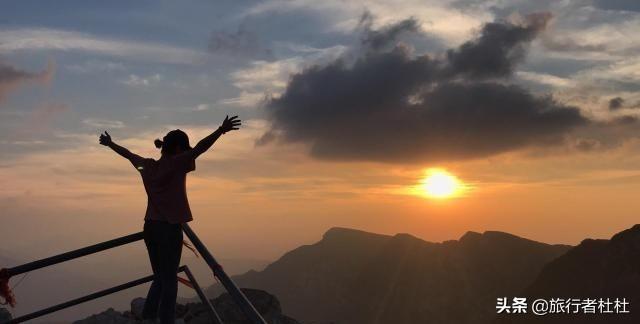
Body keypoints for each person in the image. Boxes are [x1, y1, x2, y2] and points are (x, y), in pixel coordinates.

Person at [99, 115, 241, 324]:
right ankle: (166, 320)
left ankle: (148, 314)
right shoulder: (176, 163)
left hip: (150, 227)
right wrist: (221, 130)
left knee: (159, 276)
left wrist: (110, 143)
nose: (187, 153)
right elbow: (200, 148)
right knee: (170, 280)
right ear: (177, 149)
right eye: (184, 149)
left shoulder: (147, 166)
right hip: (169, 229)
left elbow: (128, 154)